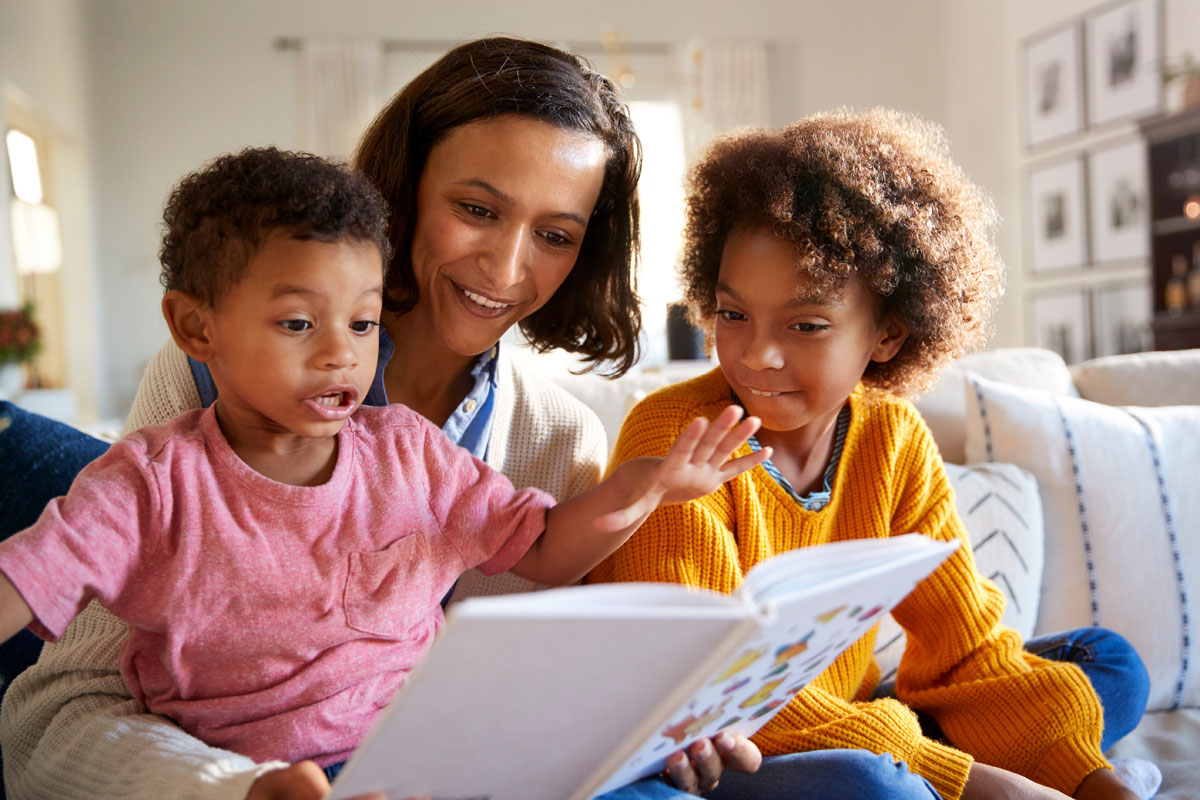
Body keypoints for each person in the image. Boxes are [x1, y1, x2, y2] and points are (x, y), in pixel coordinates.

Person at [0, 38, 762, 800]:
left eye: (556, 235)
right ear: (405, 191)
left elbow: (538, 670)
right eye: (475, 209)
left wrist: (659, 721)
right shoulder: (202, 393)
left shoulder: (560, 442)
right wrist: (245, 790)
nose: (505, 269)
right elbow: (56, 715)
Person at [588, 108, 1153, 800]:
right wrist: (983, 783)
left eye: (805, 324)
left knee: (1109, 665)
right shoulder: (675, 437)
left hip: (853, 716)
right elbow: (704, 693)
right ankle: (910, 769)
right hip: (733, 748)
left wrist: (1093, 783)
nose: (757, 354)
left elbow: (966, 647)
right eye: (734, 314)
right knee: (874, 785)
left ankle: (913, 761)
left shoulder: (892, 436)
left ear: (887, 333)